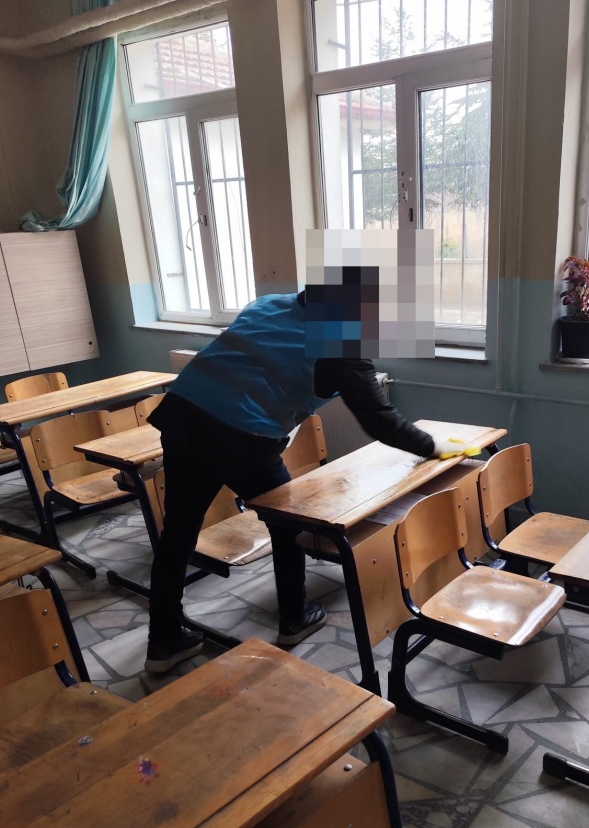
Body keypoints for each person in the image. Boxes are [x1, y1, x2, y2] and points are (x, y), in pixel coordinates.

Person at [144, 283, 466, 674]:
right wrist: (434, 446)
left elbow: (250, 364)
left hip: (183, 417)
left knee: (178, 531)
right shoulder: (341, 344)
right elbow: (379, 420)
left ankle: (163, 641)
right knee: (287, 523)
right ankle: (295, 618)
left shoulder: (268, 304)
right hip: (242, 434)